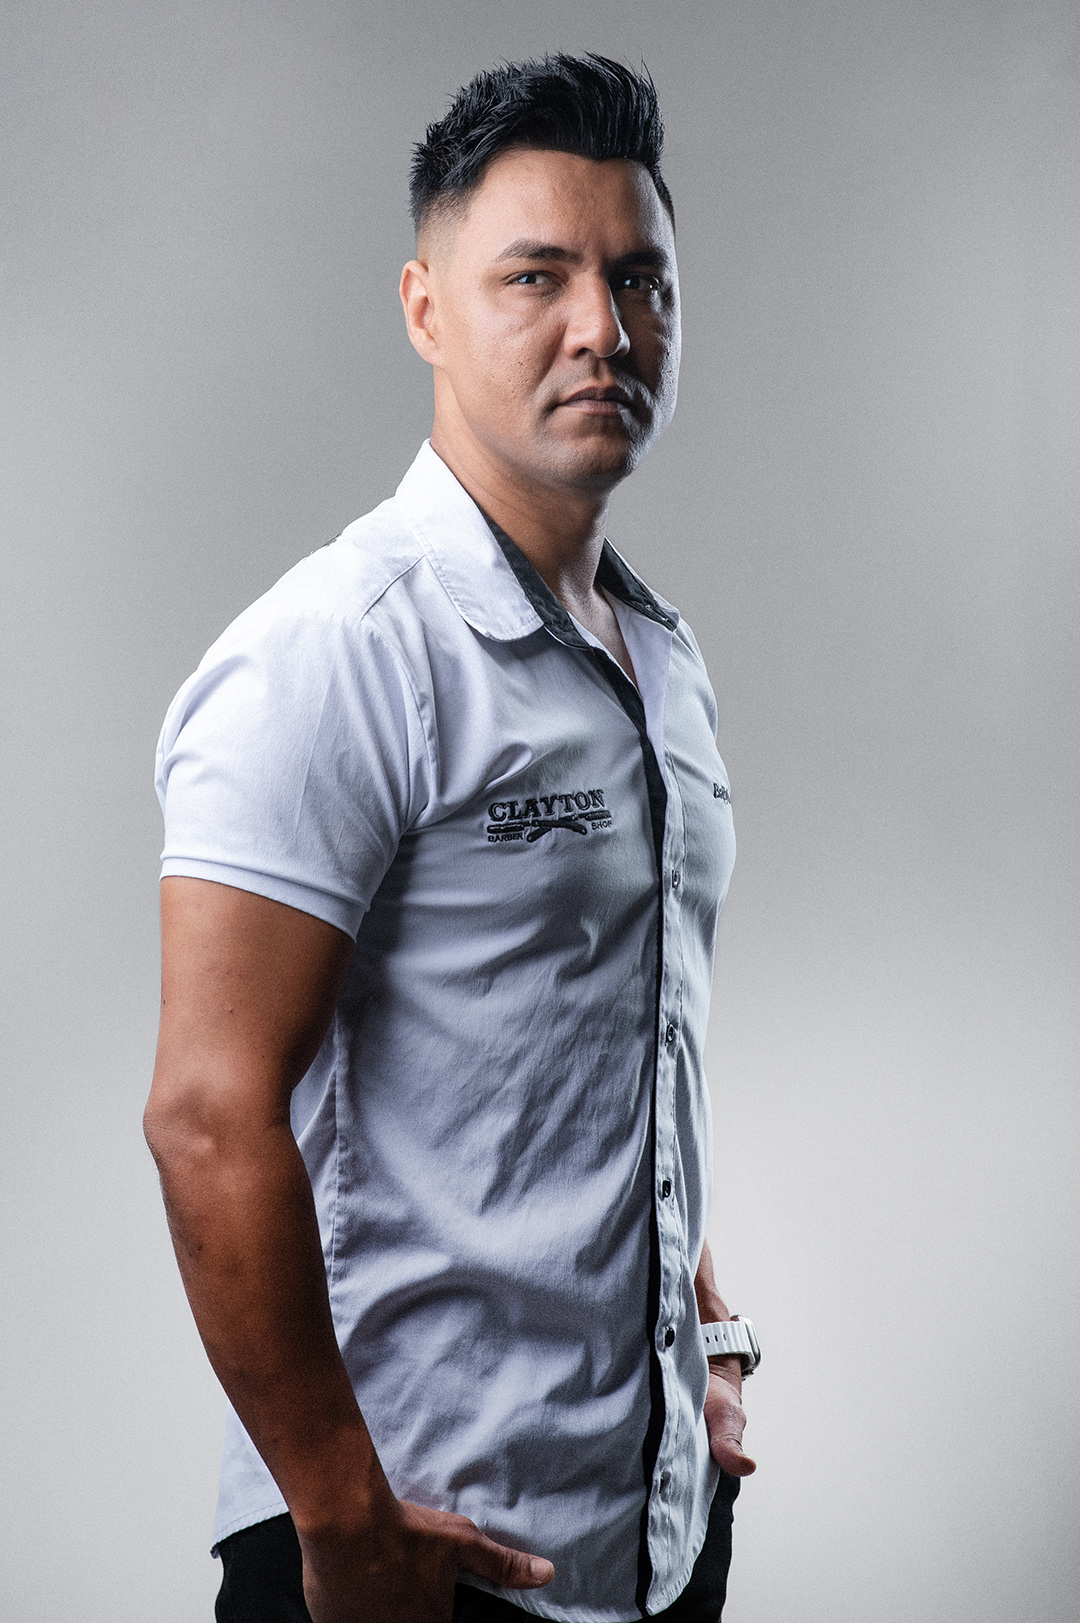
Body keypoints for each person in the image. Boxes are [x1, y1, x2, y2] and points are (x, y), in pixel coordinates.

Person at [145, 53, 758, 1623]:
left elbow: (617, 1049)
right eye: (536, 277)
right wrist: (344, 1523)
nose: (602, 327)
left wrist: (707, 1342)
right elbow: (208, 1116)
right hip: (414, 1557)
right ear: (426, 309)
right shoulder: (338, 652)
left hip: (650, 1546)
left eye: (639, 280)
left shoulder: (658, 663)